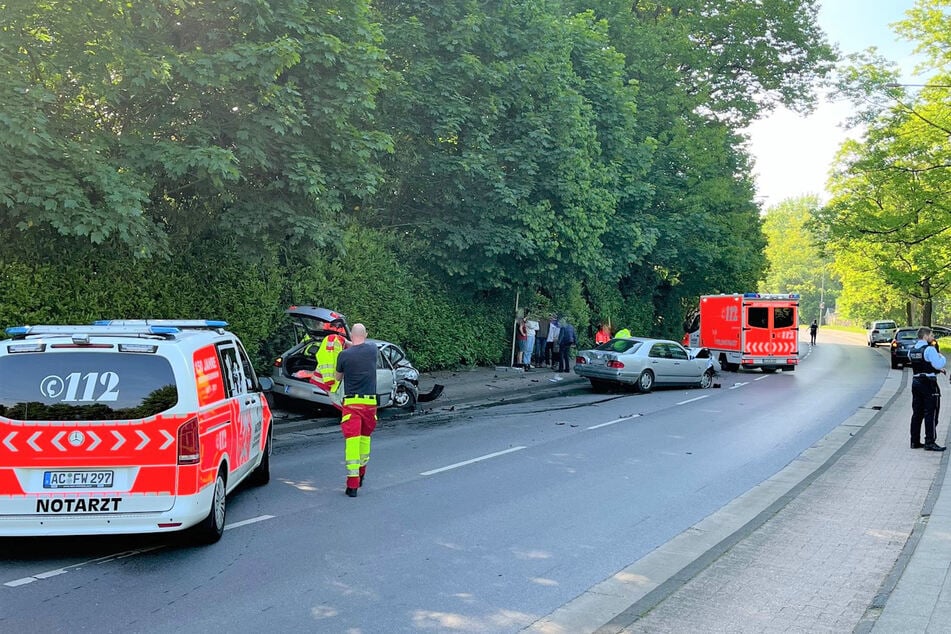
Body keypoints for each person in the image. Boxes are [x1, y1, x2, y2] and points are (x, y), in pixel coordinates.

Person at [334, 323, 379, 496]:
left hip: (352, 405)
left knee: (352, 443)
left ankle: (352, 486)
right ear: (366, 334)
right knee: (364, 440)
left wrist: (344, 347)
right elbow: (360, 346)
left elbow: (337, 378)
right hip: (370, 405)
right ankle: (361, 475)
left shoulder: (344, 355)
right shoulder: (373, 349)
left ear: (351, 335)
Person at [909, 327, 947, 452]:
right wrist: (941, 357)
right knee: (931, 412)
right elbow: (938, 364)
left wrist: (935, 368)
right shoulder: (930, 349)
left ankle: (914, 441)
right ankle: (929, 441)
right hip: (928, 384)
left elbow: (922, 365)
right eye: (931, 335)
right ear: (925, 336)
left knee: (917, 413)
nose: (933, 337)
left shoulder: (912, 350)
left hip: (916, 382)